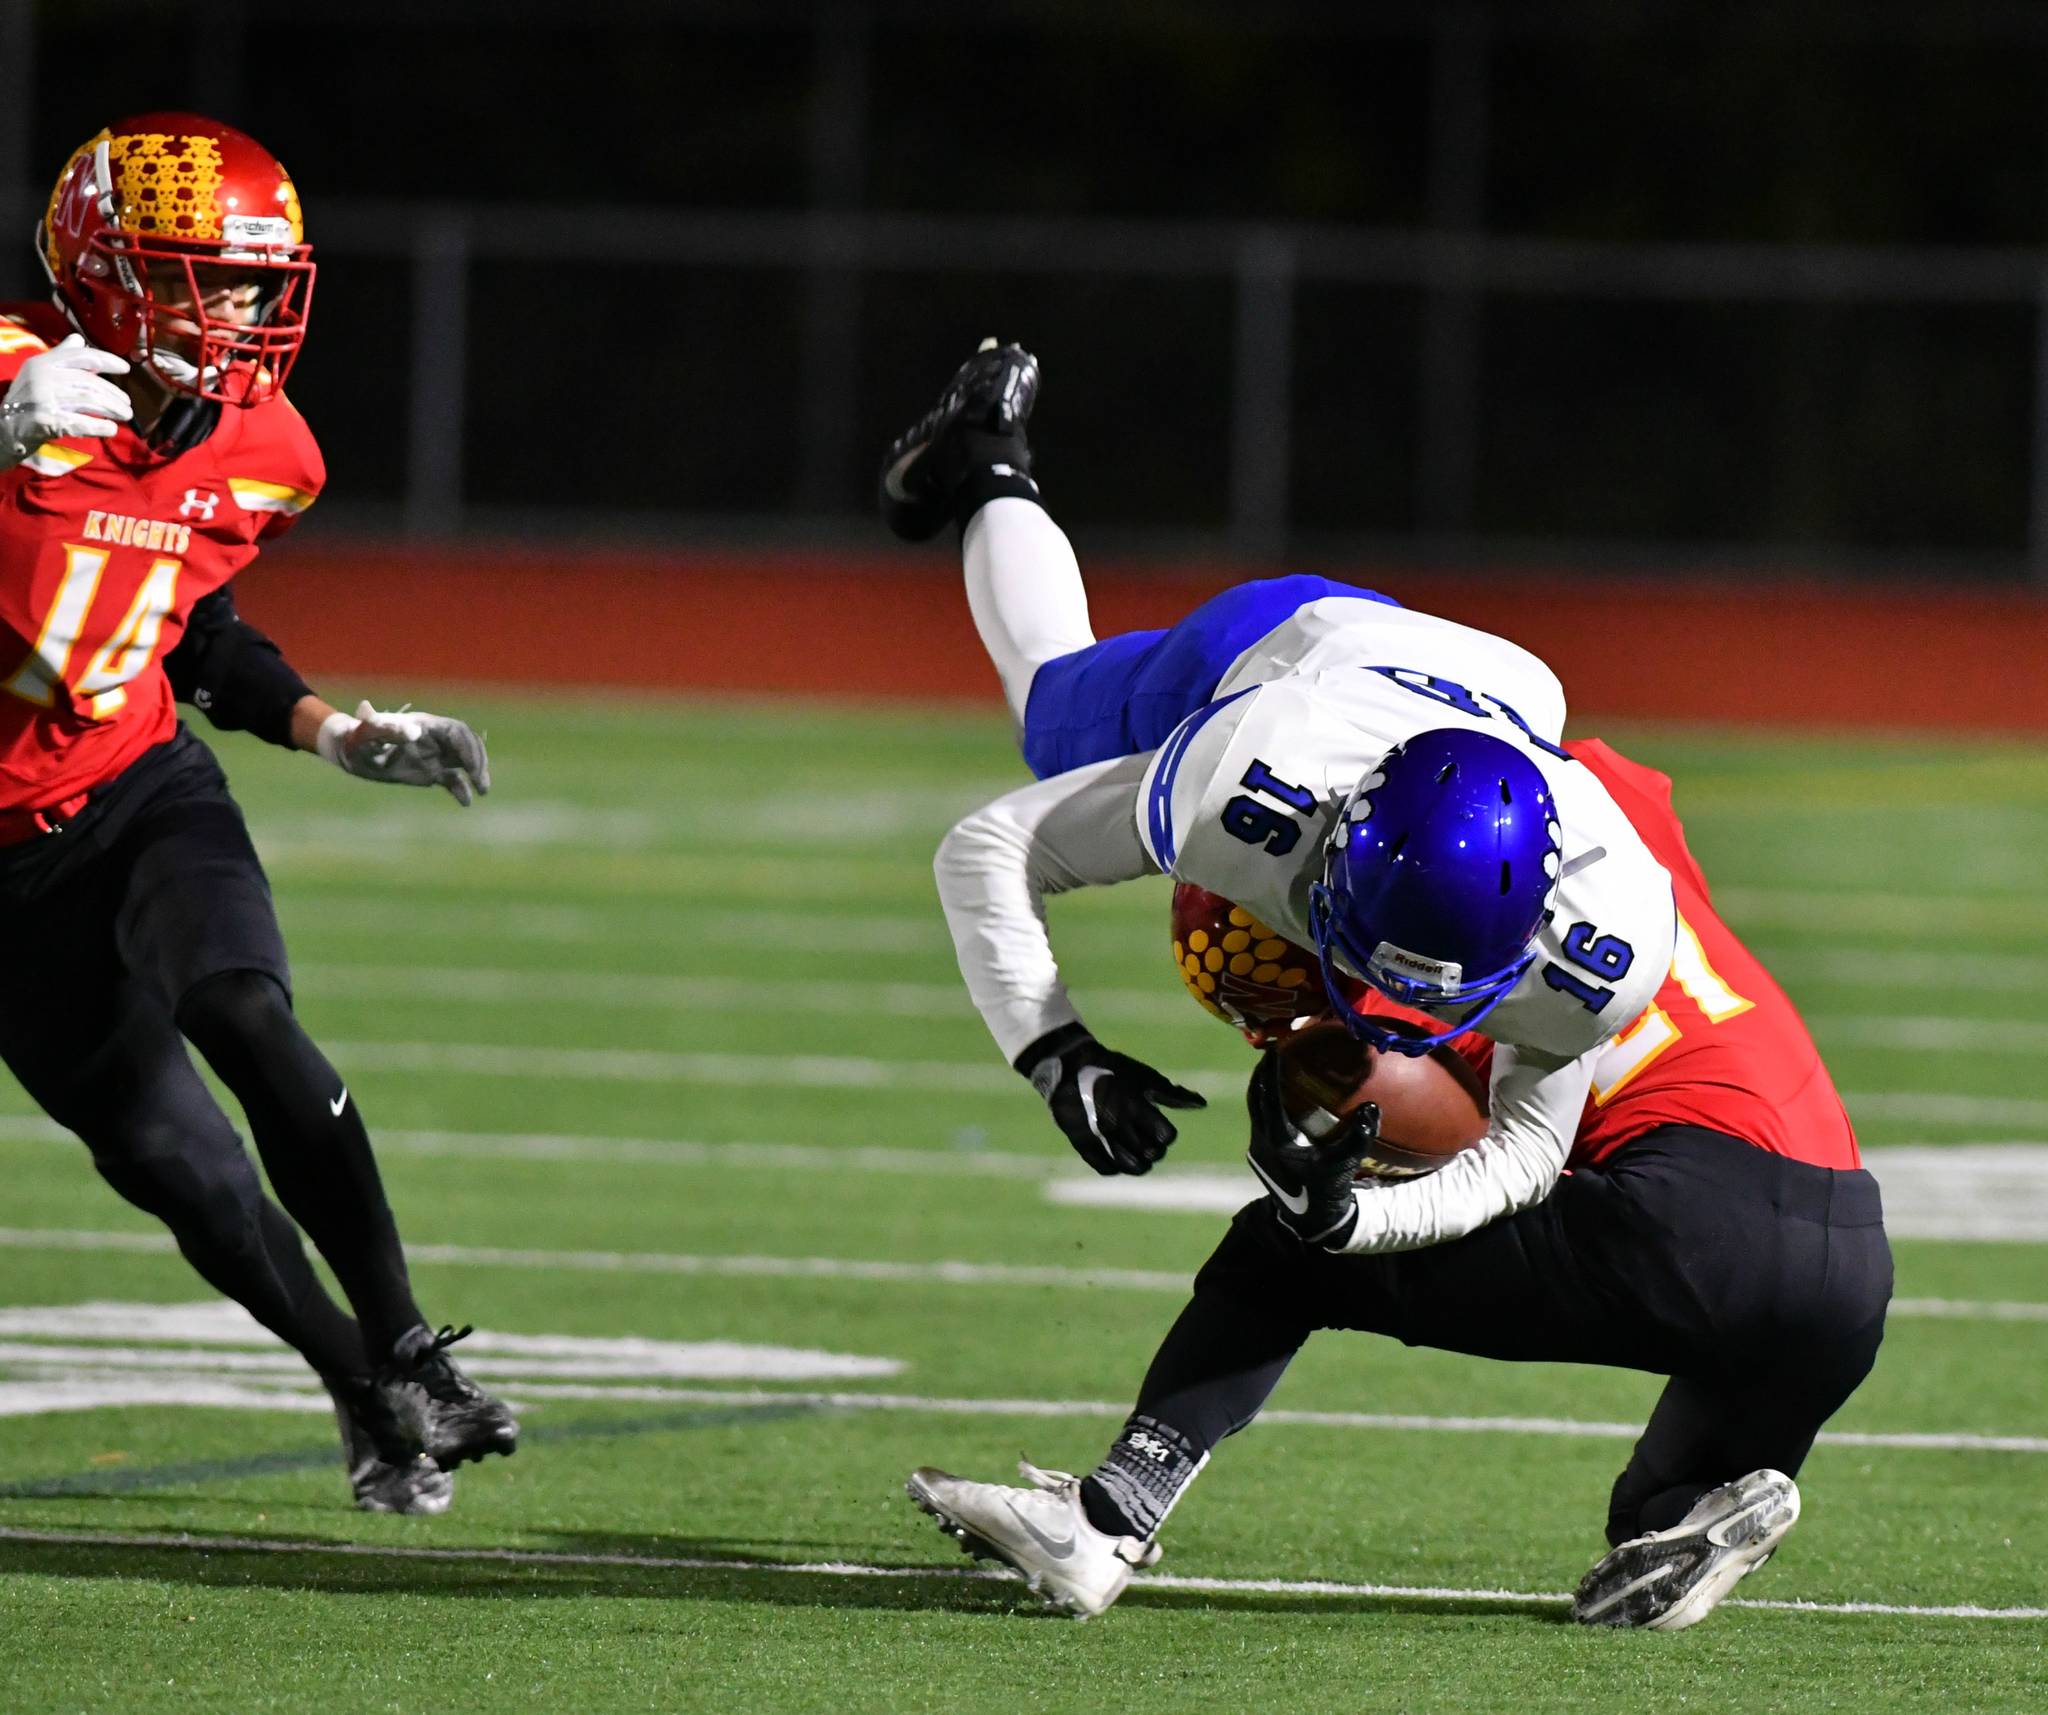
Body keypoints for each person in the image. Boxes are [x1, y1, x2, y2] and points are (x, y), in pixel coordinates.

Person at [881, 345, 1891, 1628]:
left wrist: (1341, 1202)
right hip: (1846, 1259)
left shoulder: (1596, 924)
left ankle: (1101, 1523)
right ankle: (1715, 1496)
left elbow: (1515, 1148)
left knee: (1283, 1251)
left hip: (1676, 1200)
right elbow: (994, 844)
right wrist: (1057, 1045)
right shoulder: (1255, 775)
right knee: (1057, 714)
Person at [0, 113, 517, 1513]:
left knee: (243, 1006)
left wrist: (330, 726)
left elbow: (188, 620)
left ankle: (414, 1343)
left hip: (135, 787)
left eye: (251, 281)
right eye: (199, 276)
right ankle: (358, 1382)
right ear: (102, 271)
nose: (236, 311)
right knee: (183, 1168)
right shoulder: (7, 376)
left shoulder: (267, 446)